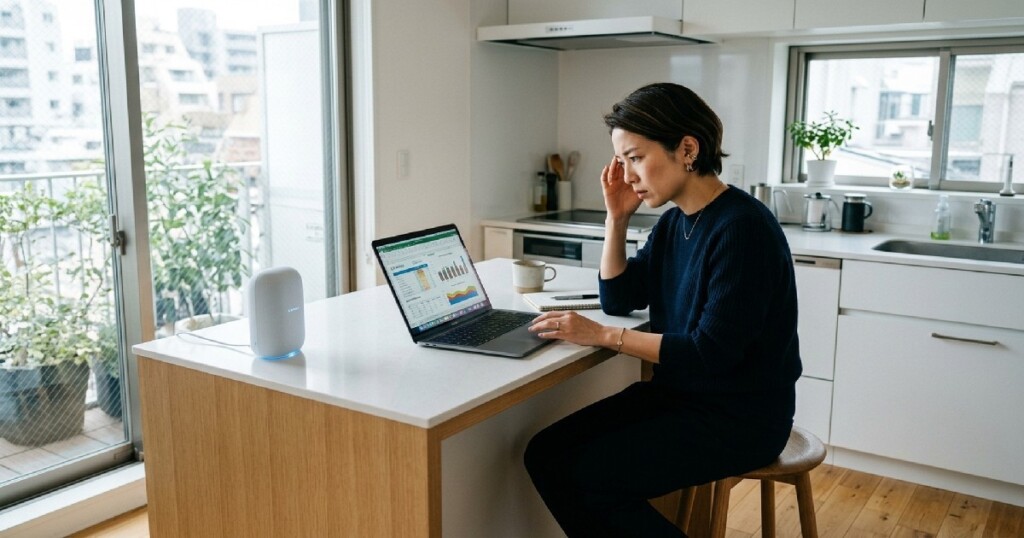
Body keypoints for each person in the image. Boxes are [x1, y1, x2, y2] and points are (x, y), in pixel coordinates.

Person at [524, 82, 802, 537]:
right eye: (621, 161)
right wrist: (617, 219)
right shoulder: (676, 222)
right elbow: (619, 297)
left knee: (591, 478)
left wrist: (602, 335)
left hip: (740, 417)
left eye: (635, 157)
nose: (627, 175)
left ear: (687, 149)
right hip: (681, 396)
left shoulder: (742, 228)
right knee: (544, 454)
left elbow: (710, 353)